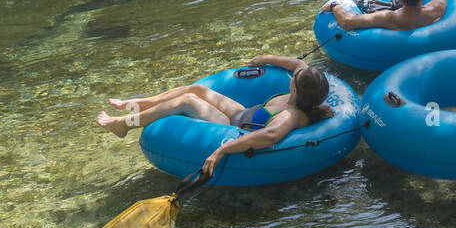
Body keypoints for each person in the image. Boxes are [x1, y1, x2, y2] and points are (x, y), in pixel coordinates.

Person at [95, 54, 333, 175]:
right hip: (245, 113)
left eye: (294, 79)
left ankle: (123, 125)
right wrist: (264, 59)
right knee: (197, 89)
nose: (294, 74)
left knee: (188, 101)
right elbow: (297, 65)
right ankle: (138, 103)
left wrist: (222, 149)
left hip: (235, 128)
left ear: (294, 88)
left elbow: (270, 136)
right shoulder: (301, 88)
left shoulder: (292, 115)